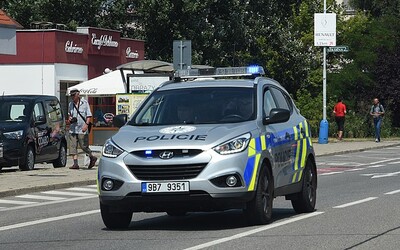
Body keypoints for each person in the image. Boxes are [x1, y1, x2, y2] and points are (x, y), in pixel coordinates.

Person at [68, 88, 97, 169]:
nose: (72, 97)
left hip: (82, 128)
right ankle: (75, 164)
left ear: (78, 95)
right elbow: (69, 114)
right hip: (73, 128)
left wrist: (86, 125)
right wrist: (70, 118)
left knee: (84, 146)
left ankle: (92, 157)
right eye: (71, 96)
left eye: (74, 95)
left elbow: (88, 115)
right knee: (72, 146)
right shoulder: (70, 104)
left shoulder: (85, 103)